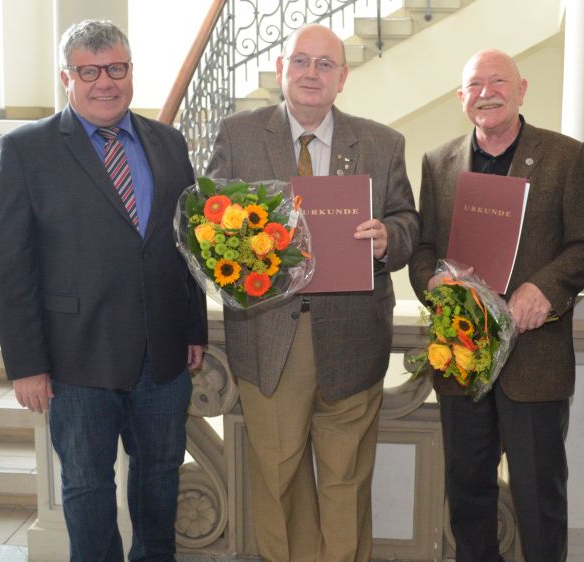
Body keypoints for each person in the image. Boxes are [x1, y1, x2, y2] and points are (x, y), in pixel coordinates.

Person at [0, 19, 207, 562]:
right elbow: (7, 267)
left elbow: (191, 242)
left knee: (159, 480)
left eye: (116, 69)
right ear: (67, 77)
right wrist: (26, 364)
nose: (105, 82)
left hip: (162, 354)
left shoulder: (169, 142)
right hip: (74, 357)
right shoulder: (25, 150)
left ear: (130, 72)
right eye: (89, 71)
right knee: (86, 489)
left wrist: (193, 327)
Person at [205, 24, 418, 562]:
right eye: (301, 61)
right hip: (269, 334)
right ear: (281, 70)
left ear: (343, 78)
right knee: (277, 478)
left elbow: (409, 222)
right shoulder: (238, 135)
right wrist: (234, 253)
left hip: (352, 335)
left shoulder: (381, 142)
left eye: (325, 65)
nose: (311, 74)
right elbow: (207, 227)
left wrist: (388, 238)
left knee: (346, 480)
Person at [408, 49, 584, 562]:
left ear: (522, 89)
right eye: (475, 84)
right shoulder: (438, 161)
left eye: (499, 81)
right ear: (460, 97)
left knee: (540, 496)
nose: (486, 92)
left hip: (534, 357)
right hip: (462, 356)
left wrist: (545, 287)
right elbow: (425, 248)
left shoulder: (565, 156)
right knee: (468, 490)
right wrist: (437, 286)